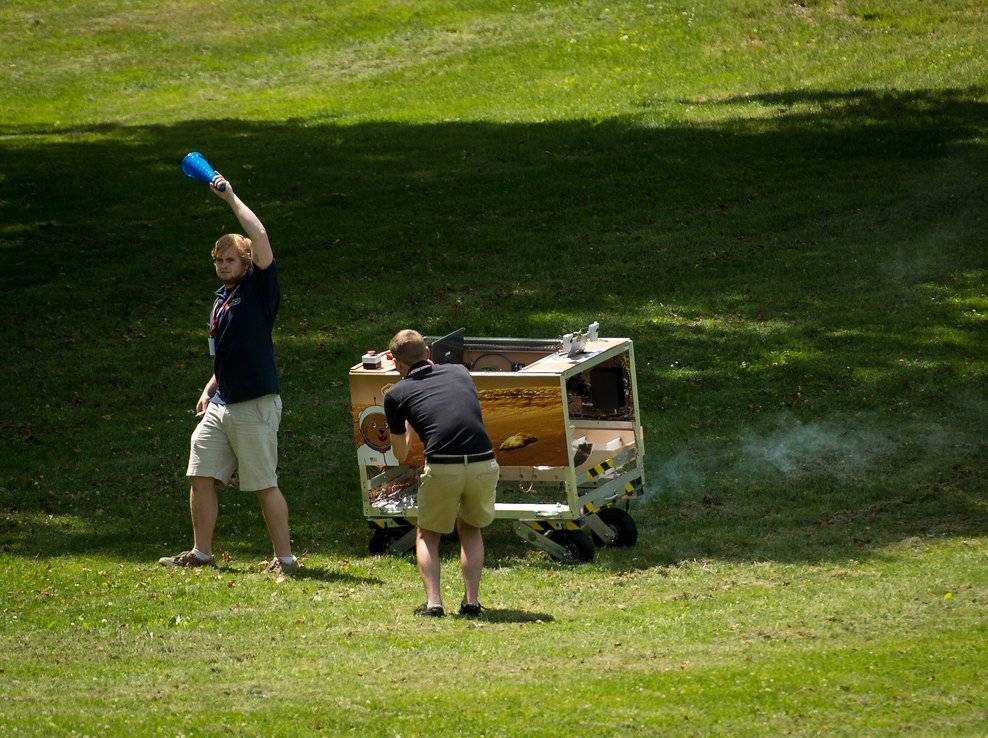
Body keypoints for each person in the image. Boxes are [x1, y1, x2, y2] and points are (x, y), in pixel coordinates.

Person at [159, 172, 298, 574]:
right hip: (222, 402)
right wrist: (209, 387)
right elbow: (227, 352)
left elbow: (261, 232)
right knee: (200, 474)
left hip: (255, 403)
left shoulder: (259, 289)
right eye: (218, 260)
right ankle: (201, 553)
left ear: (247, 260)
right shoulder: (223, 298)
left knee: (263, 483)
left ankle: (285, 559)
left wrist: (230, 197)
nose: (222, 265)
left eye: (230, 259)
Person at [383, 329, 500, 617]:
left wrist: (409, 424)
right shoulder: (460, 372)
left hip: (443, 465)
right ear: (429, 353)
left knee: (427, 533)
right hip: (483, 460)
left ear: (396, 362)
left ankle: (434, 603)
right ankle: (471, 602)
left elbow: (400, 453)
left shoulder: (396, 394)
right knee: (471, 528)